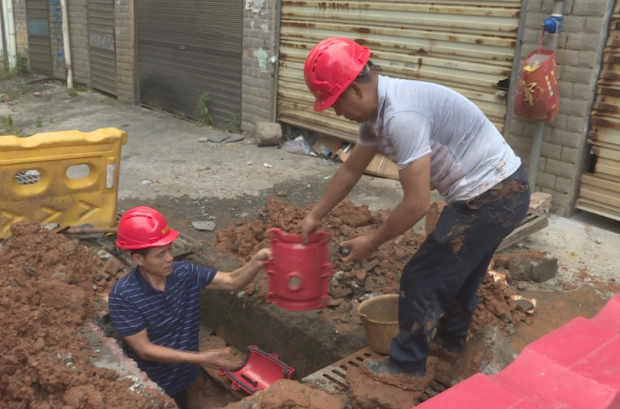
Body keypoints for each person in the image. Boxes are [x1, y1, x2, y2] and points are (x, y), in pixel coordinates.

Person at [297, 37, 530, 378]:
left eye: (334, 102)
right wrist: (314, 215)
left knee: (420, 277)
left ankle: (405, 369)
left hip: (492, 196)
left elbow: (418, 203)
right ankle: (449, 344)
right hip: (501, 189)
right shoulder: (377, 116)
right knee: (459, 272)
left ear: (355, 92)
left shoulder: (401, 116)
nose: (335, 111)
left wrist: (373, 241)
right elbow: (350, 170)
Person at [108, 206, 271, 408]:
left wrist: (257, 261)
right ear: (138, 259)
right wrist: (201, 358)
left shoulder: (184, 273)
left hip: (184, 378)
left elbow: (231, 281)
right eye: (160, 254)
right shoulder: (124, 295)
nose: (169, 258)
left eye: (170, 248)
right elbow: (144, 350)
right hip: (152, 387)